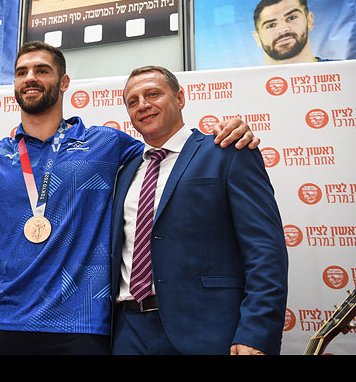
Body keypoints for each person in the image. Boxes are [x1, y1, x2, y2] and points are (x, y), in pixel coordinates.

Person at [0, 41, 258, 355]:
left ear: (64, 82)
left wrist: (227, 133)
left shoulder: (108, 144)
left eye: (42, 70)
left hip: (81, 326)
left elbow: (172, 150)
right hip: (0, 322)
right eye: (21, 72)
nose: (30, 77)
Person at [111, 66, 288, 355]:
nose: (142, 104)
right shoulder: (124, 171)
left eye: (153, 94)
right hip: (128, 332)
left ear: (180, 97)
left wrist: (256, 332)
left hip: (209, 331)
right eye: (133, 101)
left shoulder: (227, 151)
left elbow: (265, 252)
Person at [252, 0, 320, 65]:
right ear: (257, 38)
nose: (283, 29)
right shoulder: (245, 77)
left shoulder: (337, 72)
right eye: (271, 25)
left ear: (309, 20)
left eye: (291, 18)